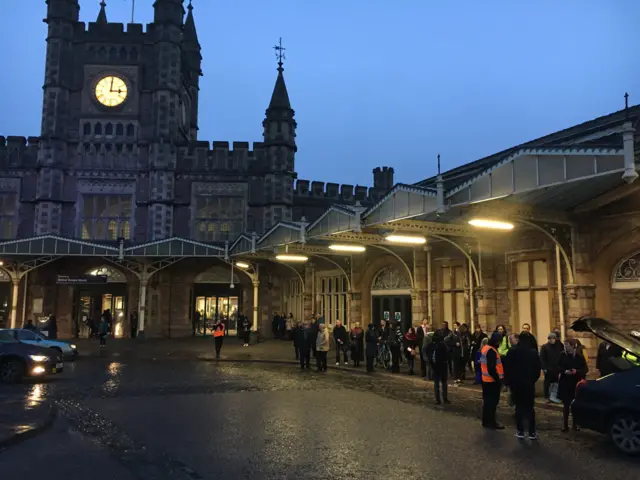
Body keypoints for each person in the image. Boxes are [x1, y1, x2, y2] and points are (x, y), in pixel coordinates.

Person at [504, 332, 542, 440]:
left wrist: (509, 382)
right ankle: (531, 432)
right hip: (528, 383)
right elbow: (537, 370)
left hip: (516, 384)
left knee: (519, 407)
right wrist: (532, 380)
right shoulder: (533, 352)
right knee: (530, 408)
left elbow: (508, 368)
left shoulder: (512, 351)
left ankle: (520, 430)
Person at [558, 338, 588, 432]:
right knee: (566, 405)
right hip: (565, 382)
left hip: (575, 383)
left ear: (572, 346)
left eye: (567, 345)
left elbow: (585, 369)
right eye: (564, 345)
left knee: (575, 405)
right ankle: (565, 425)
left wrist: (576, 371)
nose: (565, 347)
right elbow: (557, 366)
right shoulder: (562, 355)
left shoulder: (579, 356)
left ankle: (575, 424)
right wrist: (564, 371)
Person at [480, 332, 505, 429]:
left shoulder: (485, 348)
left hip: (485, 379)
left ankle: (486, 421)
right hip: (492, 381)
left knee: (487, 402)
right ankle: (491, 422)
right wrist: (498, 379)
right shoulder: (491, 351)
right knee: (492, 403)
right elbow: (491, 368)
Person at [427, 330, 450, 405]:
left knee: (436, 383)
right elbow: (447, 354)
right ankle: (444, 398)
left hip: (435, 366)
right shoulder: (442, 344)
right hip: (442, 366)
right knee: (443, 383)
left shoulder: (431, 344)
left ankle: (438, 399)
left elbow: (428, 354)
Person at [540, 332, 563, 401]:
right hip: (548, 368)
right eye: (550, 338)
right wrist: (544, 367)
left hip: (557, 367)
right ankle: (547, 396)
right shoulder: (544, 347)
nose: (552, 340)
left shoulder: (559, 346)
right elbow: (542, 358)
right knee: (548, 382)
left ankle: (555, 396)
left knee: (557, 382)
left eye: (553, 338)